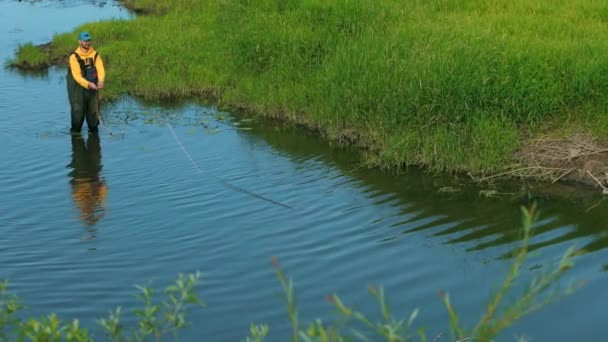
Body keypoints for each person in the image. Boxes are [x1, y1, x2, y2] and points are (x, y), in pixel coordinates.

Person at [67, 31, 105, 133]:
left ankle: (93, 136)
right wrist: (88, 84)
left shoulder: (95, 55)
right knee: (77, 111)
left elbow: (100, 69)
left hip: (92, 88)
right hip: (77, 89)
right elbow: (76, 76)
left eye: (89, 40)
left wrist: (100, 81)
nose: (87, 43)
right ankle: (75, 134)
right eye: (85, 41)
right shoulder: (73, 57)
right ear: (79, 42)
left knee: (93, 113)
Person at [68, 132, 108, 227]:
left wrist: (97, 187)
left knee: (94, 148)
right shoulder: (81, 200)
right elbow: (103, 184)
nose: (90, 209)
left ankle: (90, 135)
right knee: (79, 150)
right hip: (83, 172)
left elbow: (103, 185)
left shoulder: (97, 200)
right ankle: (78, 136)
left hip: (89, 172)